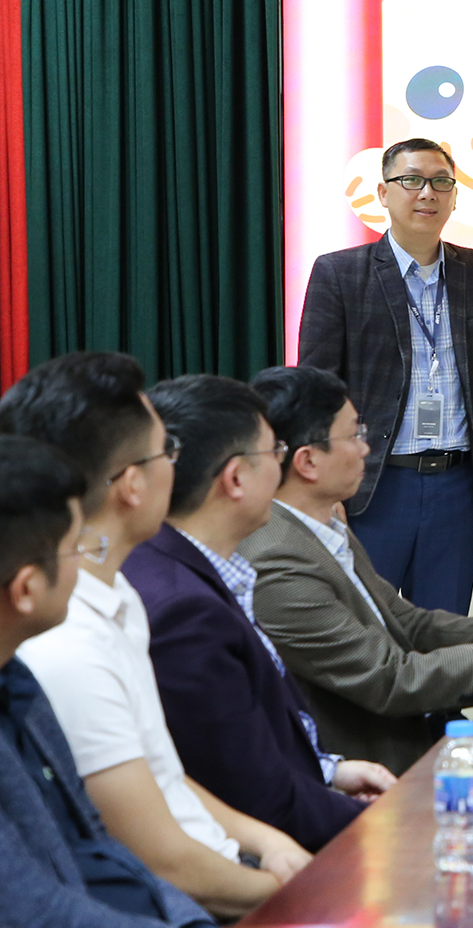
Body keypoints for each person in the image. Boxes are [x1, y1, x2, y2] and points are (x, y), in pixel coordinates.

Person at [0, 354, 311, 920]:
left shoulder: (117, 593)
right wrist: (292, 890)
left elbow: (160, 772)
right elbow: (156, 864)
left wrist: (264, 841)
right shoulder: (67, 643)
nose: (177, 463)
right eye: (167, 450)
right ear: (132, 485)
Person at [242, 366, 473, 774]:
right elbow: (390, 680)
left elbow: (408, 624)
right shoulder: (276, 562)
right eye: (354, 435)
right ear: (308, 461)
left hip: (422, 737)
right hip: (375, 770)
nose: (366, 448)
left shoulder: (321, 527)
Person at [127, 375, 396, 853]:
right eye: (275, 452)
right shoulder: (185, 614)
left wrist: (328, 771)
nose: (282, 466)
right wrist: (401, 824)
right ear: (235, 478)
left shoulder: (195, 565)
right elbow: (261, 801)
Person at [0, 431, 212, 928]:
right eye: (75, 548)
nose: (86, 562)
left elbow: (99, 846)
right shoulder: (60, 656)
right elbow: (37, 913)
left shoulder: (17, 678)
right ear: (27, 589)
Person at [297, 137, 473, 614]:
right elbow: (316, 391)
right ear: (383, 192)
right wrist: (320, 488)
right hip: (372, 487)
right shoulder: (340, 273)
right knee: (363, 630)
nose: (427, 193)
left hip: (458, 488)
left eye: (441, 182)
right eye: (411, 180)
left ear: (454, 196)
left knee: (443, 634)